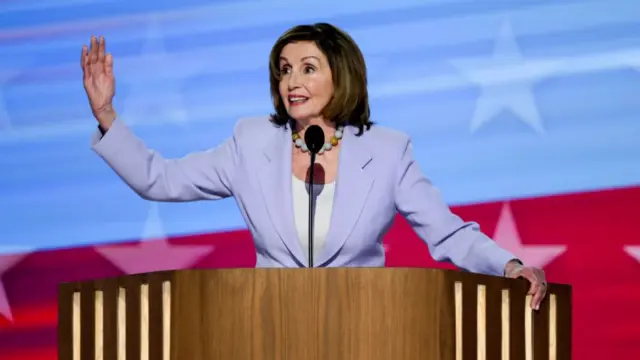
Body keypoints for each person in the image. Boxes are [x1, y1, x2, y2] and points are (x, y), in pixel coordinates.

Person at [81, 23, 547, 309]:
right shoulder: (252, 141)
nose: (292, 81)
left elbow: (446, 233)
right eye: (284, 69)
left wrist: (508, 265)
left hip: (367, 329)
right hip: (267, 331)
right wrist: (107, 115)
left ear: (340, 75)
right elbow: (158, 179)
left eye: (307, 67)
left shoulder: (387, 150)